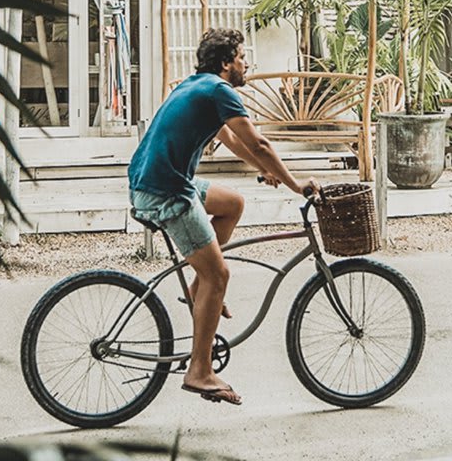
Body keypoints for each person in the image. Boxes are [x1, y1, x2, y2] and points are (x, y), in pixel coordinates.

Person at [128, 28, 319, 406]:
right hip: (165, 190)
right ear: (226, 62)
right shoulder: (218, 90)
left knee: (232, 203)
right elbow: (259, 143)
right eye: (243, 57)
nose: (247, 63)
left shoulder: (197, 86)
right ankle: (199, 370)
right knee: (220, 274)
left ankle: (199, 289)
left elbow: (235, 142)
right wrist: (296, 185)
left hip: (161, 179)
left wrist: (265, 171)